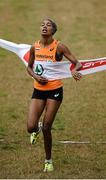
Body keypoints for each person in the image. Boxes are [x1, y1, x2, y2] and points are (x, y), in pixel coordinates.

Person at [27, 18, 82, 172]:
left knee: (47, 126)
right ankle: (35, 130)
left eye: (48, 25)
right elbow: (29, 68)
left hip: (54, 90)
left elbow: (77, 63)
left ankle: (48, 160)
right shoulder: (34, 47)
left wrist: (73, 70)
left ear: (53, 31)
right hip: (38, 90)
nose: (44, 27)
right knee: (31, 127)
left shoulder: (59, 47)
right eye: (42, 24)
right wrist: (36, 77)